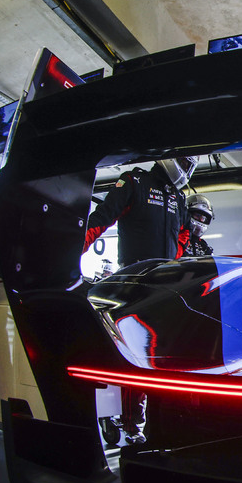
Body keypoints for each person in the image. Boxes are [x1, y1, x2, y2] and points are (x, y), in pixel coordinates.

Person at [83, 156, 197, 443]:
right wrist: (72, 251)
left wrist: (174, 261)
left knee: (162, 358)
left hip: (165, 286)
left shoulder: (178, 198)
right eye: (185, 162)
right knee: (133, 355)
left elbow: (185, 231)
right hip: (133, 283)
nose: (187, 170)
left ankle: (156, 424)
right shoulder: (135, 182)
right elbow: (102, 217)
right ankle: (128, 421)